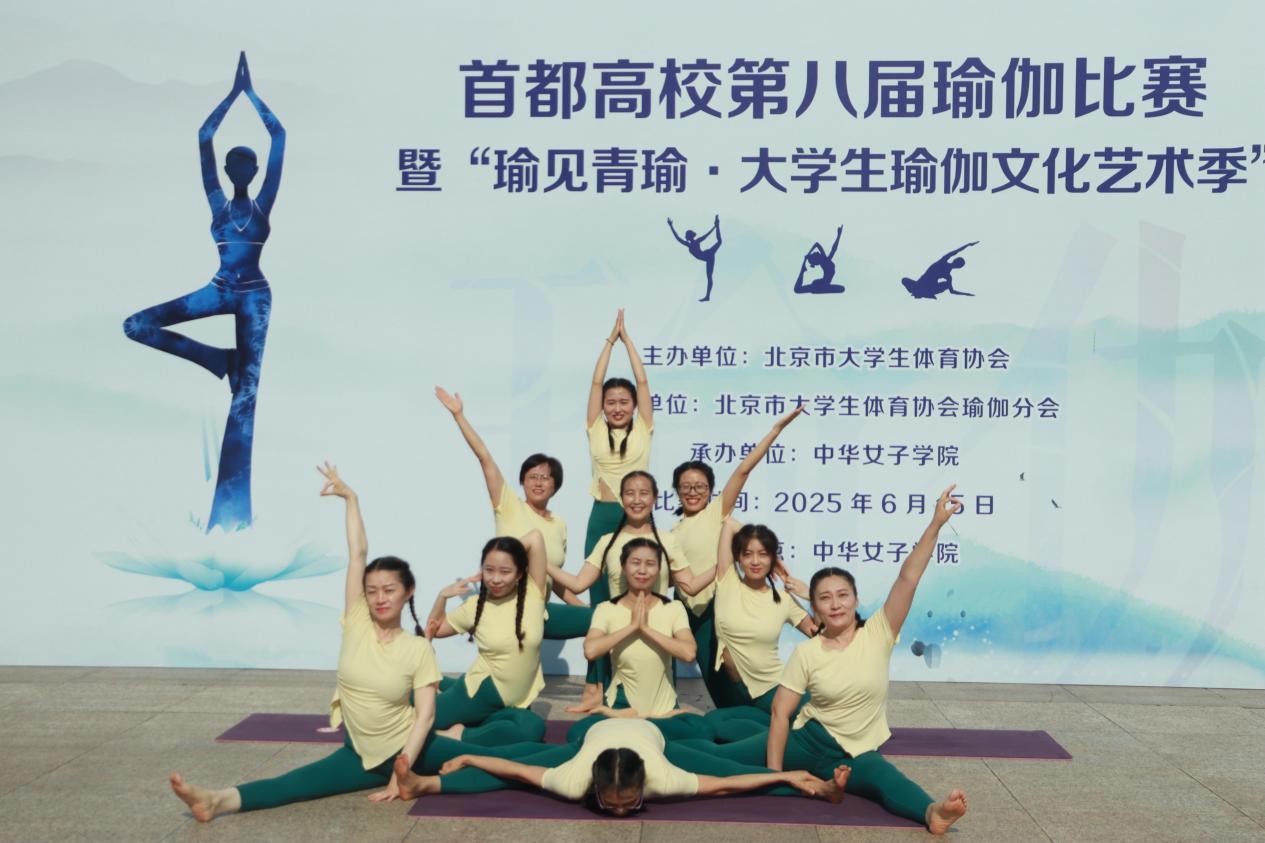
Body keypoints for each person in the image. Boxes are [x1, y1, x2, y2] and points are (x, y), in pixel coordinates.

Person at [675, 486, 969, 833]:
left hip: (854, 753)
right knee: (720, 759)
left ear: (855, 599)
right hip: (806, 741)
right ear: (814, 606)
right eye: (825, 598)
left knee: (885, 777)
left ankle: (931, 812)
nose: (835, 604)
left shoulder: (878, 633)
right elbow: (781, 713)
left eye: (843, 595)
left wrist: (935, 524)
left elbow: (908, 577)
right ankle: (658, 746)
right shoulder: (808, 651)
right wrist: (775, 775)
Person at [169, 463, 441, 819]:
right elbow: (357, 554)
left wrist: (401, 774)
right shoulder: (357, 622)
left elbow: (425, 716)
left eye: (389, 590)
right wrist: (351, 499)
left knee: (490, 763)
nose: (380, 598)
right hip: (359, 754)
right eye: (372, 590)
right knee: (296, 784)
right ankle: (215, 800)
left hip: (411, 751)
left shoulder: (418, 648)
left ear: (408, 591)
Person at [122, 53, 284, 532]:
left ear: (254, 171)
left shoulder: (263, 202)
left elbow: (278, 136)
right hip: (218, 289)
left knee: (246, 399)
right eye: (234, 164)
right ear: (228, 170)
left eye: (246, 164)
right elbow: (203, 137)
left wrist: (252, 96)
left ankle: (232, 516)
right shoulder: (217, 202)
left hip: (254, 296)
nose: (239, 169)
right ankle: (218, 360)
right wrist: (230, 97)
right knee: (137, 325)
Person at [433, 386, 601, 704]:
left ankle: (596, 691)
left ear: (556, 485)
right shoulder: (508, 505)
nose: (538, 482)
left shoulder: (559, 524)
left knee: (604, 619)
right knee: (491, 681)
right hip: (505, 606)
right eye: (532, 476)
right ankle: (444, 686)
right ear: (522, 481)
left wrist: (586, 611)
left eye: (546, 477)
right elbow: (485, 458)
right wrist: (459, 416)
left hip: (538, 610)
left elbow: (553, 580)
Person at [392, 717, 850, 813]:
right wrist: (468, 755)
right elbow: (513, 769)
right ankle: (422, 786)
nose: (617, 811)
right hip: (589, 735)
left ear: (643, 784)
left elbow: (728, 784)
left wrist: (786, 775)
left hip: (654, 734)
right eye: (611, 802)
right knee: (519, 764)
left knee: (718, 760)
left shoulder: (663, 776)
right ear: (593, 784)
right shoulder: (573, 778)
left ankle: (820, 788)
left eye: (627, 801)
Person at [670, 406, 803, 706]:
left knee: (736, 673)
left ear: (710, 490)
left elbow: (743, 471)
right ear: (676, 490)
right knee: (715, 682)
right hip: (689, 612)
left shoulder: (717, 511)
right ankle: (734, 721)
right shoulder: (671, 533)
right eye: (686, 487)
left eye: (700, 486)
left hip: (721, 603)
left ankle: (761, 715)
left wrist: (776, 430)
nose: (693, 492)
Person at [564, 538, 716, 744]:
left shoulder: (673, 608)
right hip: (622, 705)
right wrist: (631, 627)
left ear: (659, 570)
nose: (642, 570)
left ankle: (641, 722)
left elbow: (688, 653)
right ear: (623, 567)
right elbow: (591, 650)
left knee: (704, 731)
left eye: (650, 564)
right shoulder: (606, 610)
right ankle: (643, 724)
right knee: (577, 734)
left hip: (663, 711)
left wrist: (645, 629)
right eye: (635, 563)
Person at [577, 311, 654, 709]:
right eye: (612, 402)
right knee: (601, 604)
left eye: (625, 402)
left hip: (638, 520)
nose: (618, 407)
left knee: (641, 597)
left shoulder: (643, 428)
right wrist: (610, 341)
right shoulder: (595, 428)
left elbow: (643, 382)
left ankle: (639, 682)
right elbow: (595, 382)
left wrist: (629, 342)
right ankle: (595, 685)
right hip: (603, 517)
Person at [425, 530, 551, 735]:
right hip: (480, 693)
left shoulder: (533, 592)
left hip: (516, 699)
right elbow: (435, 630)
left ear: (520, 573)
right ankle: (457, 735)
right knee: (419, 718)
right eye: (489, 570)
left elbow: (535, 537)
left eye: (505, 571)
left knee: (531, 731)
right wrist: (442, 596)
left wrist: (505, 551)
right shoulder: (475, 606)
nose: (495, 579)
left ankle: (441, 687)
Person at [702, 521, 817, 731]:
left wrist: (812, 596)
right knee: (713, 724)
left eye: (763, 554)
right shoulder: (727, 582)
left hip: (775, 689)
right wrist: (772, 555)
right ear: (738, 557)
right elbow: (729, 525)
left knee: (822, 725)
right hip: (736, 692)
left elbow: (819, 635)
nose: (755, 561)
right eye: (748, 554)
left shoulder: (783, 600)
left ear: (771, 557)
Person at [667, 215, 722, 302]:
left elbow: (706, 235)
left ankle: (707, 296)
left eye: (687, 235)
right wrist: (671, 226)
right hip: (708, 256)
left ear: (689, 236)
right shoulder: (689, 244)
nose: (685, 236)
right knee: (719, 242)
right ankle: (707, 296)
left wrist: (715, 227)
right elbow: (678, 238)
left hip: (708, 255)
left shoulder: (695, 242)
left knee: (709, 277)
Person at [901, 242, 979, 299]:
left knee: (946, 284)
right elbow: (955, 251)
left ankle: (924, 293)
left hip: (930, 287)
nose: (956, 265)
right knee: (904, 280)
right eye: (957, 263)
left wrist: (966, 294)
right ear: (954, 260)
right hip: (921, 283)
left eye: (958, 265)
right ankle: (921, 292)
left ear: (958, 267)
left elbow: (952, 291)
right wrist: (968, 245)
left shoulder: (948, 276)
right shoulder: (943, 261)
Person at [793, 226, 845, 294]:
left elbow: (817, 244)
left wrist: (839, 235)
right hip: (821, 286)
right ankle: (802, 271)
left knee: (798, 290)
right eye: (815, 254)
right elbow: (833, 249)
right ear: (817, 260)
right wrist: (839, 235)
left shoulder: (825, 260)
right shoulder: (825, 261)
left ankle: (802, 270)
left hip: (821, 284)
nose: (817, 252)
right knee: (797, 290)